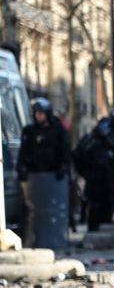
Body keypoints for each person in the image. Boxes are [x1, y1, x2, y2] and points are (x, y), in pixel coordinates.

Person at [17, 98, 71, 243]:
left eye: (41, 113)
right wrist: (22, 168)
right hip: (35, 177)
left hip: (53, 178)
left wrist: (63, 167)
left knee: (54, 210)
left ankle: (56, 238)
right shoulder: (30, 131)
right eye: (36, 113)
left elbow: (65, 152)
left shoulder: (58, 130)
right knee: (34, 211)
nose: (38, 116)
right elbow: (23, 152)